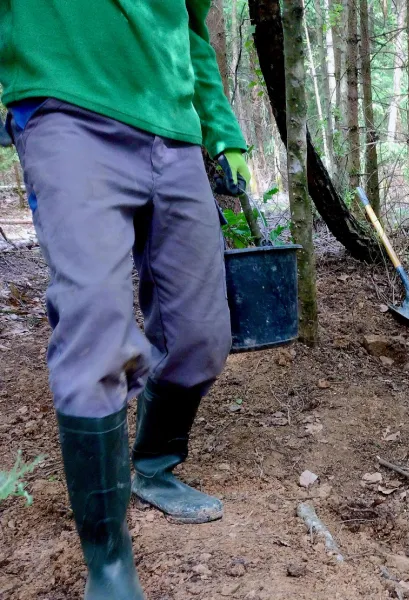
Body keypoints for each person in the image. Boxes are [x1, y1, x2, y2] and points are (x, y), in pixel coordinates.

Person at [0, 2, 251, 598]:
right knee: (95, 321)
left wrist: (222, 127)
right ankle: (109, 567)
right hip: (67, 108)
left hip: (175, 131)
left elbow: (190, 29)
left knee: (202, 335)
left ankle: (154, 466)